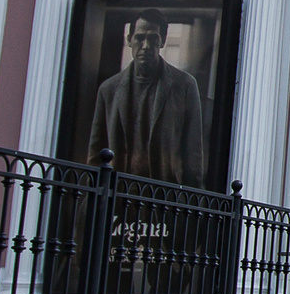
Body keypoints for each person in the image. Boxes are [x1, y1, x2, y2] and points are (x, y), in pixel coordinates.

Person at [87, 9, 207, 187]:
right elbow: (96, 155)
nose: (146, 46)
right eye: (139, 38)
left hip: (164, 196)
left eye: (153, 38)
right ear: (129, 40)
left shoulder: (184, 86)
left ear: (163, 41)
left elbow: (193, 155)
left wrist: (191, 204)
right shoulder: (109, 90)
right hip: (119, 195)